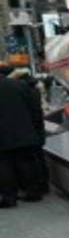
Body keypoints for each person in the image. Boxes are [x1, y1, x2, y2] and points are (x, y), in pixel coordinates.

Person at [0, 63, 47, 208]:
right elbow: (34, 109)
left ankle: (9, 198)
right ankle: (33, 193)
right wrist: (36, 129)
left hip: (2, 135)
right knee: (26, 162)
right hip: (24, 131)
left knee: (4, 165)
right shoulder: (20, 85)